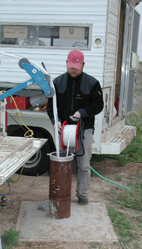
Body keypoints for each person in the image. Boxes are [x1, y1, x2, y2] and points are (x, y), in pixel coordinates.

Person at [47, 50, 104, 205]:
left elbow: (99, 105)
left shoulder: (92, 83)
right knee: (61, 162)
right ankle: (60, 192)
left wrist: (82, 112)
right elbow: (51, 106)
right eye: (71, 66)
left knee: (84, 164)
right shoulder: (57, 83)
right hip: (63, 130)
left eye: (76, 67)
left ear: (83, 65)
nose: (73, 69)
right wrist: (55, 120)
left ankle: (82, 194)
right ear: (67, 64)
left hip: (84, 129)